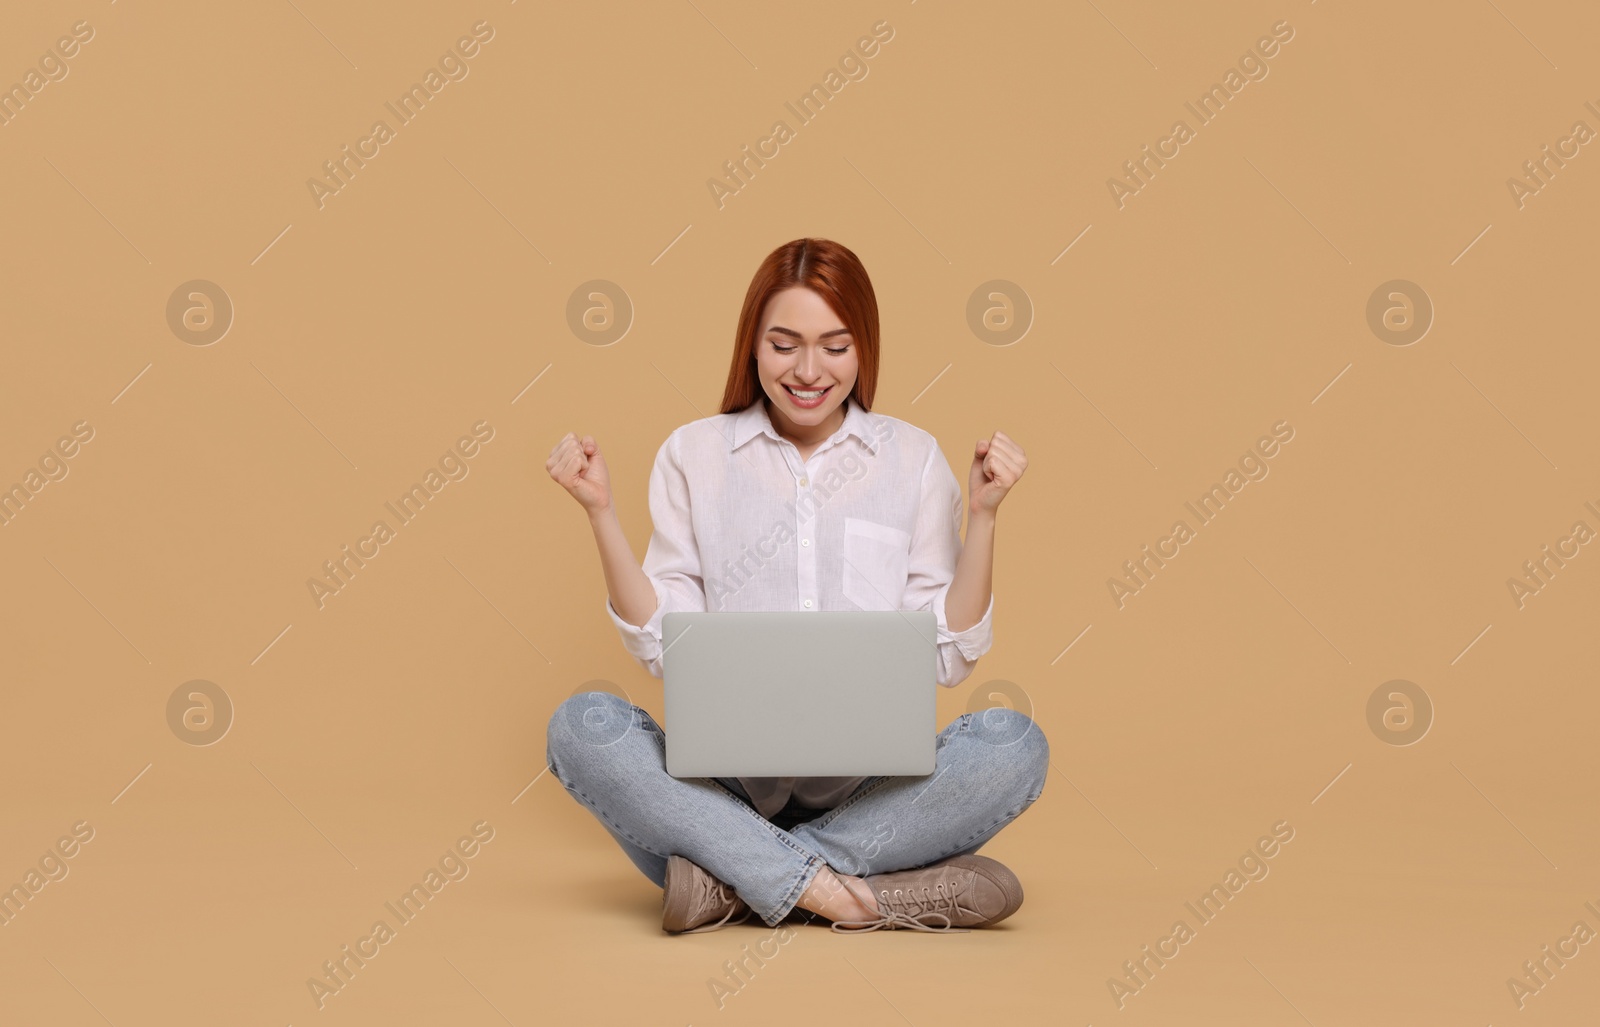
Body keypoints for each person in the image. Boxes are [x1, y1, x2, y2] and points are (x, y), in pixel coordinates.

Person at [544, 237, 1047, 934]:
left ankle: (735, 881)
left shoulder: (912, 459)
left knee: (1013, 745)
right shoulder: (694, 454)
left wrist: (986, 517)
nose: (809, 370)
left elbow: (948, 654)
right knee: (583, 728)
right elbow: (665, 645)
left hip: (874, 791)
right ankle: (851, 895)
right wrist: (601, 511)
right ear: (752, 345)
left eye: (835, 346)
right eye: (785, 344)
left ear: (864, 348)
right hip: (724, 790)